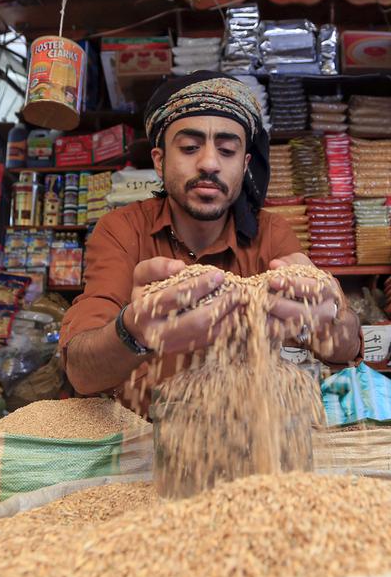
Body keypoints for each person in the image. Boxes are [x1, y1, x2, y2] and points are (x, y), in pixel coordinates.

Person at [59, 71, 361, 410]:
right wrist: (134, 330)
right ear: (159, 161)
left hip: (245, 437)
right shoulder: (123, 230)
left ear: (245, 164)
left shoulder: (271, 235)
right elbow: (82, 373)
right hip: (142, 438)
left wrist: (325, 317)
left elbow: (346, 349)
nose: (209, 163)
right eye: (189, 147)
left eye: (228, 150)